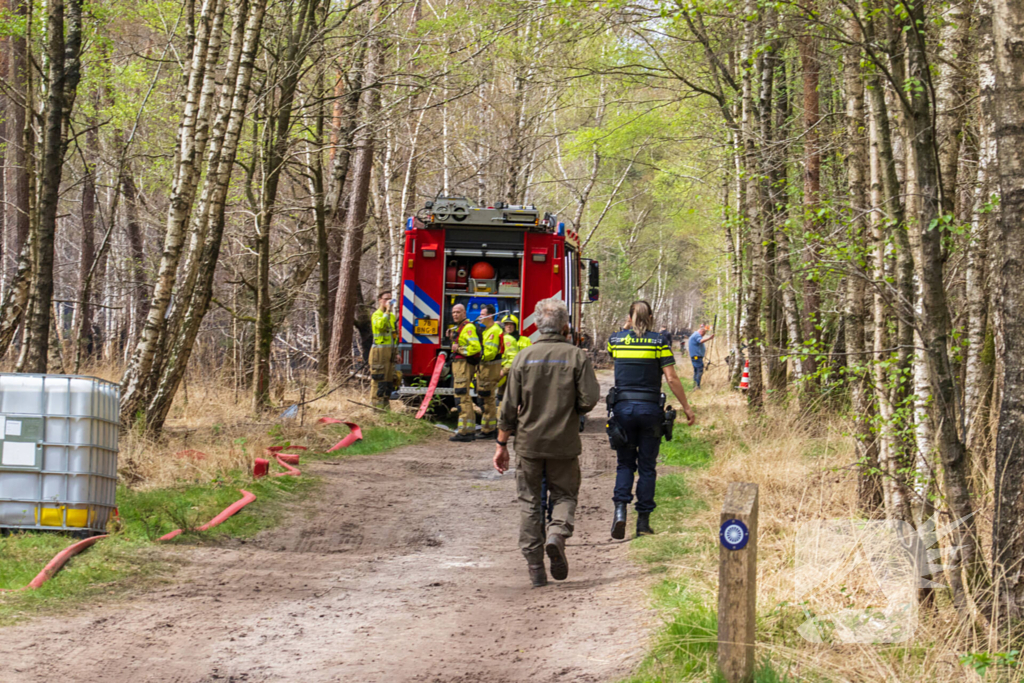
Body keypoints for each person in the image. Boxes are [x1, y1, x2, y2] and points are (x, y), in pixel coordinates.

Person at [493, 298, 600, 588]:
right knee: (564, 496)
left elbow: (507, 407)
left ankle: (535, 567)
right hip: (563, 443)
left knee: (529, 501)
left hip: (528, 444)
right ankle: (556, 534)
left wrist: (501, 444)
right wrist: (571, 409)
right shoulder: (576, 356)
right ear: (565, 326)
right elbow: (589, 399)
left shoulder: (523, 357)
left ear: (537, 326)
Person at [607, 301, 696, 539]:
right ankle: (643, 523)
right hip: (649, 410)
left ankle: (619, 513)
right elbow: (672, 378)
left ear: (629, 317)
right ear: (652, 317)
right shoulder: (659, 342)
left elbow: (613, 354)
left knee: (625, 464)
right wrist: (686, 407)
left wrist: (627, 326)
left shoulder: (615, 340)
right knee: (647, 467)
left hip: (623, 409)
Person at [448, 304, 481, 442]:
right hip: (460, 365)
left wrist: (458, 349)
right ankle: (469, 430)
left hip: (463, 365)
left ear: (464, 313)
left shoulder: (468, 328)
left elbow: (475, 348)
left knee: (461, 397)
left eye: (458, 312)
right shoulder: (460, 327)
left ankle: (464, 432)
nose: (455, 314)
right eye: (453, 312)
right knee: (464, 397)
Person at [476, 304, 504, 440]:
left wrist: (477, 355)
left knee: (488, 399)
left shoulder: (493, 331)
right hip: (485, 368)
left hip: (489, 368)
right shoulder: (488, 330)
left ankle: (489, 430)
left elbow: (491, 353)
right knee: (486, 398)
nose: (479, 317)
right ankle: (488, 428)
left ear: (490, 316)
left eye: (482, 314)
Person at [369, 291, 398, 409]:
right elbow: (380, 326)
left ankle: (385, 408)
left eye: (391, 299)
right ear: (380, 300)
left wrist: (396, 353)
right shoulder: (376, 315)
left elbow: (394, 335)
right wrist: (386, 311)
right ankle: (376, 408)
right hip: (379, 353)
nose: (388, 302)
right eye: (386, 299)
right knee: (379, 379)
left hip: (390, 353)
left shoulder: (391, 316)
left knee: (388, 380)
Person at [687, 323, 715, 389]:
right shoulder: (697, 335)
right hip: (696, 357)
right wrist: (709, 338)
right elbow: (700, 341)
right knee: (699, 370)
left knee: (696, 370)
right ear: (701, 331)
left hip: (696, 356)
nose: (702, 336)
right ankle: (697, 385)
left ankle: (695, 384)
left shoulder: (695, 335)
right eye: (703, 334)